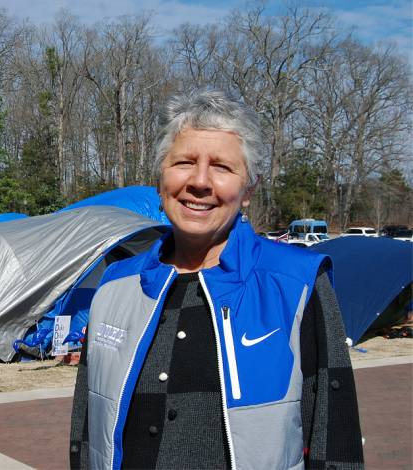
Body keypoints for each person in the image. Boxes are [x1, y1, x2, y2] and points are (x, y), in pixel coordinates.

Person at [69, 90, 364, 470]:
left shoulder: (297, 283)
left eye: (222, 167)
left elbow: (333, 433)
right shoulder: (115, 284)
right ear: (161, 178)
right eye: (184, 162)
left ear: (248, 190)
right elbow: (86, 428)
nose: (200, 182)